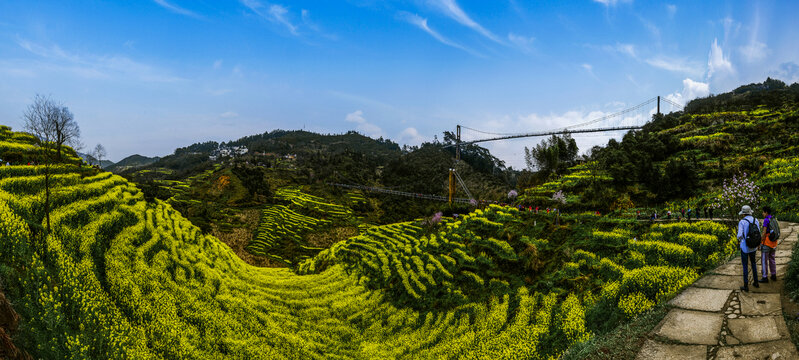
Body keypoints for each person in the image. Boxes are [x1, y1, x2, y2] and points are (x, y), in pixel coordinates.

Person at [738, 205, 760, 292]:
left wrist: (740, 240)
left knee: (745, 265)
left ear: (743, 214)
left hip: (744, 247)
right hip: (753, 247)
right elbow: (758, 232)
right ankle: (756, 282)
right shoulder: (756, 220)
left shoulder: (742, 222)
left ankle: (746, 285)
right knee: (754, 264)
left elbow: (739, 235)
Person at [760, 206, 778, 283]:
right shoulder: (774, 219)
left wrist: (761, 242)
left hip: (767, 243)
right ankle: (773, 275)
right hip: (774, 242)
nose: (762, 213)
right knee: (772, 259)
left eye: (763, 212)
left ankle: (765, 277)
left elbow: (764, 233)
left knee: (764, 260)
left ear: (766, 212)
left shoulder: (766, 220)